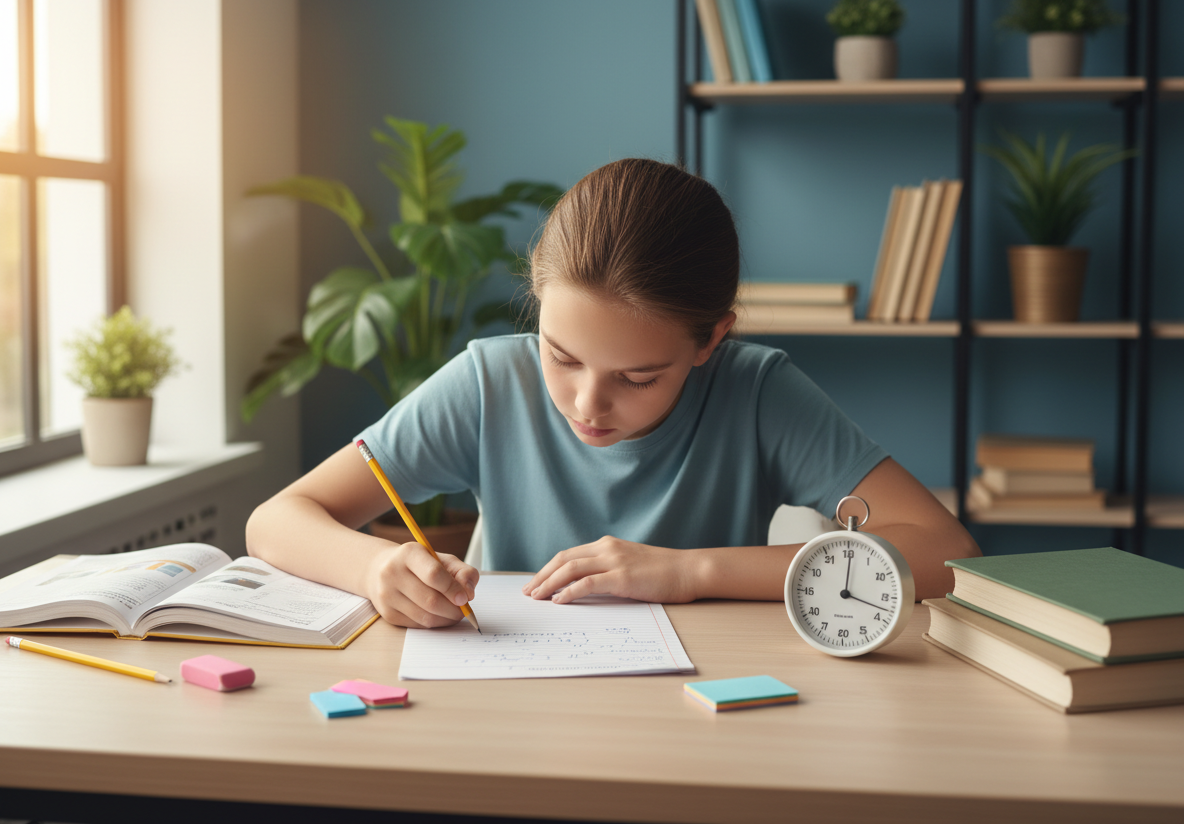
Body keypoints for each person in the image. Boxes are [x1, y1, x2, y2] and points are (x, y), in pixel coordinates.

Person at [246, 158, 980, 629]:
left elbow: (945, 552)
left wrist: (689, 571)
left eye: (638, 378)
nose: (586, 405)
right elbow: (277, 520)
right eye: (561, 356)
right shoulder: (489, 382)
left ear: (710, 341)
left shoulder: (756, 390)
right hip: (509, 702)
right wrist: (374, 568)